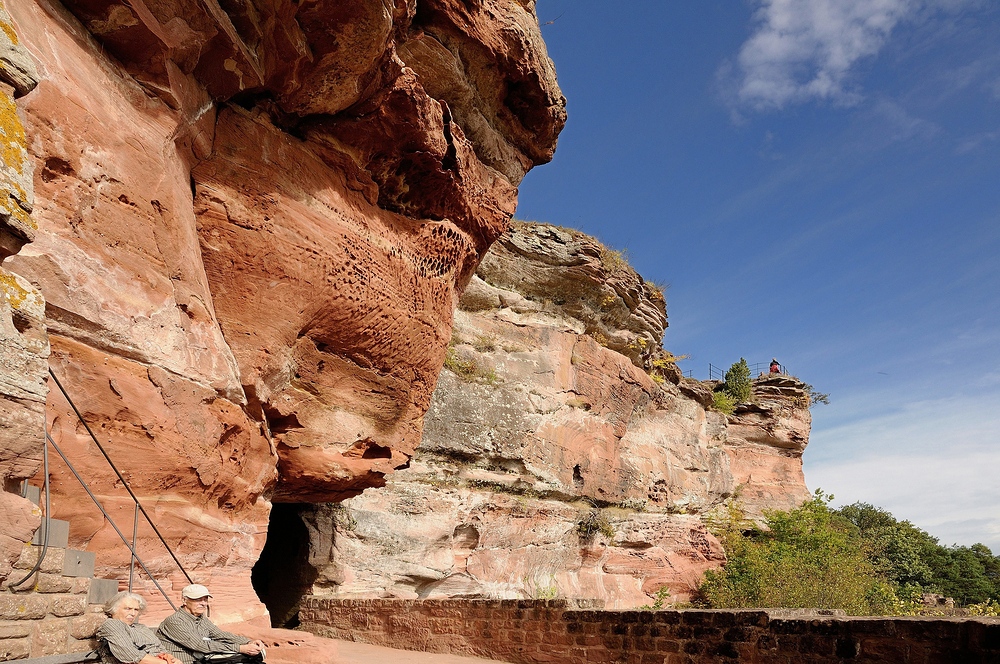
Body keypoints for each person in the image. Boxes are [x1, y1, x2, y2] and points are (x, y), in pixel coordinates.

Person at [156, 585, 266, 663]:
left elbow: (220, 634)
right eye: (198, 600)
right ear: (184, 601)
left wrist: (248, 641)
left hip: (203, 659)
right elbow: (200, 645)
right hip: (183, 661)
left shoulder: (201, 618)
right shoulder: (175, 621)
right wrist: (240, 648)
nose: (203, 603)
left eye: (205, 599)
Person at [97, 591, 181, 664]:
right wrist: (165, 663)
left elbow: (161, 649)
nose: (133, 613)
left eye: (136, 610)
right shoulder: (112, 624)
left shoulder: (141, 627)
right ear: (114, 609)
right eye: (128, 609)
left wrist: (173, 660)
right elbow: (130, 655)